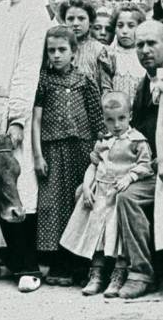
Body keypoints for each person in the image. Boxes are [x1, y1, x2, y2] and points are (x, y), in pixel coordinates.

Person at [0, 0, 53, 293]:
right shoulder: (1, 10)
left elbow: (27, 69)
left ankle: (29, 266)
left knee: (19, 187)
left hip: (14, 109)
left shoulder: (36, 13)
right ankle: (11, 259)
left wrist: (18, 119)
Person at [61, 91, 153, 297]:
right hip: (101, 195)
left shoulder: (137, 141)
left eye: (121, 118)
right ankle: (97, 274)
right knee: (98, 236)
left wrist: (129, 178)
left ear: (130, 115)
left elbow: (145, 166)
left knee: (117, 236)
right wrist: (86, 187)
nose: (117, 125)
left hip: (118, 194)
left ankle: (119, 275)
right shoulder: (103, 142)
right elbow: (93, 167)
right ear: (104, 119)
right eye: (110, 120)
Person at [32, 25, 104, 286]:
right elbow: (36, 120)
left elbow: (97, 119)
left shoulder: (85, 80)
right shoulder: (43, 80)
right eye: (51, 50)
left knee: (79, 204)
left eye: (62, 50)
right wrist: (38, 155)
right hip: (52, 149)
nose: (56, 55)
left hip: (82, 150)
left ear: (74, 52)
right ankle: (56, 263)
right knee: (53, 206)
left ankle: (78, 266)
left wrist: (99, 151)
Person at [111, 20, 163, 298]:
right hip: (152, 171)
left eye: (151, 43)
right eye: (140, 45)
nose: (144, 50)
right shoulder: (146, 84)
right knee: (128, 196)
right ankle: (142, 272)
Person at [60, 0, 114, 95]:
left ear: (90, 22)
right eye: (70, 19)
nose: (76, 23)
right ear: (64, 21)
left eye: (81, 18)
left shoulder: (99, 50)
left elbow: (106, 89)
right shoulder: (57, 49)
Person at [110, 2, 147, 103]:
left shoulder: (145, 54)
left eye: (131, 26)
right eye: (120, 26)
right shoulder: (109, 54)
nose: (124, 31)